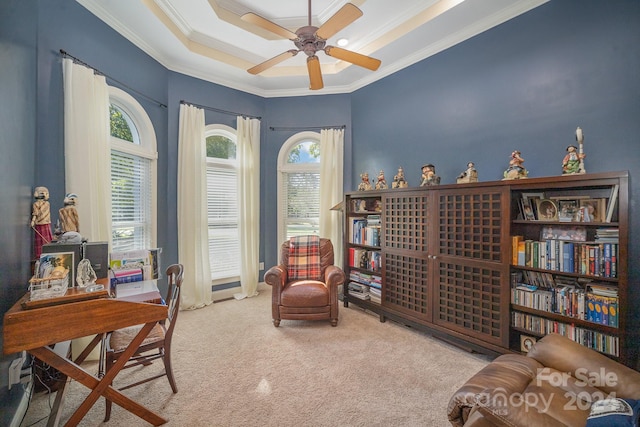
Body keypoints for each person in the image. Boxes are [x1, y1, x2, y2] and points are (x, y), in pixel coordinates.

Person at [31, 186, 53, 259]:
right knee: (40, 241)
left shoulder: (47, 204)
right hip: (40, 224)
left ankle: (48, 254)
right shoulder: (36, 204)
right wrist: (33, 221)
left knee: (46, 240)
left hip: (46, 223)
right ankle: (40, 256)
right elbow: (35, 213)